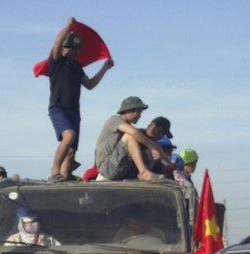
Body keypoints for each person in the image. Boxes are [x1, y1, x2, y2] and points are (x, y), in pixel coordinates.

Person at [47, 17, 114, 182]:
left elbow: (90, 84)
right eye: (73, 49)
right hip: (59, 107)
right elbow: (57, 41)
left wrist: (104, 68)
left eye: (78, 49)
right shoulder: (57, 62)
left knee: (71, 150)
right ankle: (55, 171)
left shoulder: (77, 67)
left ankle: (63, 177)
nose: (76, 52)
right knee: (68, 137)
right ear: (65, 48)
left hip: (74, 110)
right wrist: (68, 26)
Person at [94, 97, 172, 181]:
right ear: (129, 110)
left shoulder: (131, 128)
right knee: (130, 136)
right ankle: (143, 172)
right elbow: (134, 133)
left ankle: (142, 174)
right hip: (107, 168)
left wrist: (168, 162)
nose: (140, 116)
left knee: (145, 142)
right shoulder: (114, 120)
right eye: (139, 112)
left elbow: (150, 142)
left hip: (121, 169)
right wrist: (152, 148)